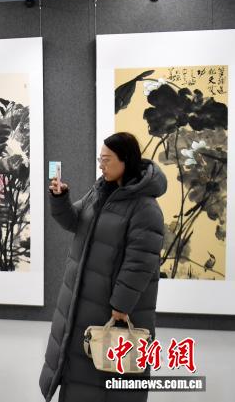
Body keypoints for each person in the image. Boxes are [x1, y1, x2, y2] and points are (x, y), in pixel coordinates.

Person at [39, 132, 167, 402]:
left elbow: (141, 262)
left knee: (109, 378)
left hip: (112, 309)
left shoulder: (145, 208)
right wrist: (60, 198)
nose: (101, 165)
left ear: (125, 160)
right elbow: (74, 221)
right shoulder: (99, 193)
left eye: (106, 160)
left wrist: (121, 305)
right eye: (100, 159)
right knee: (81, 373)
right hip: (82, 306)